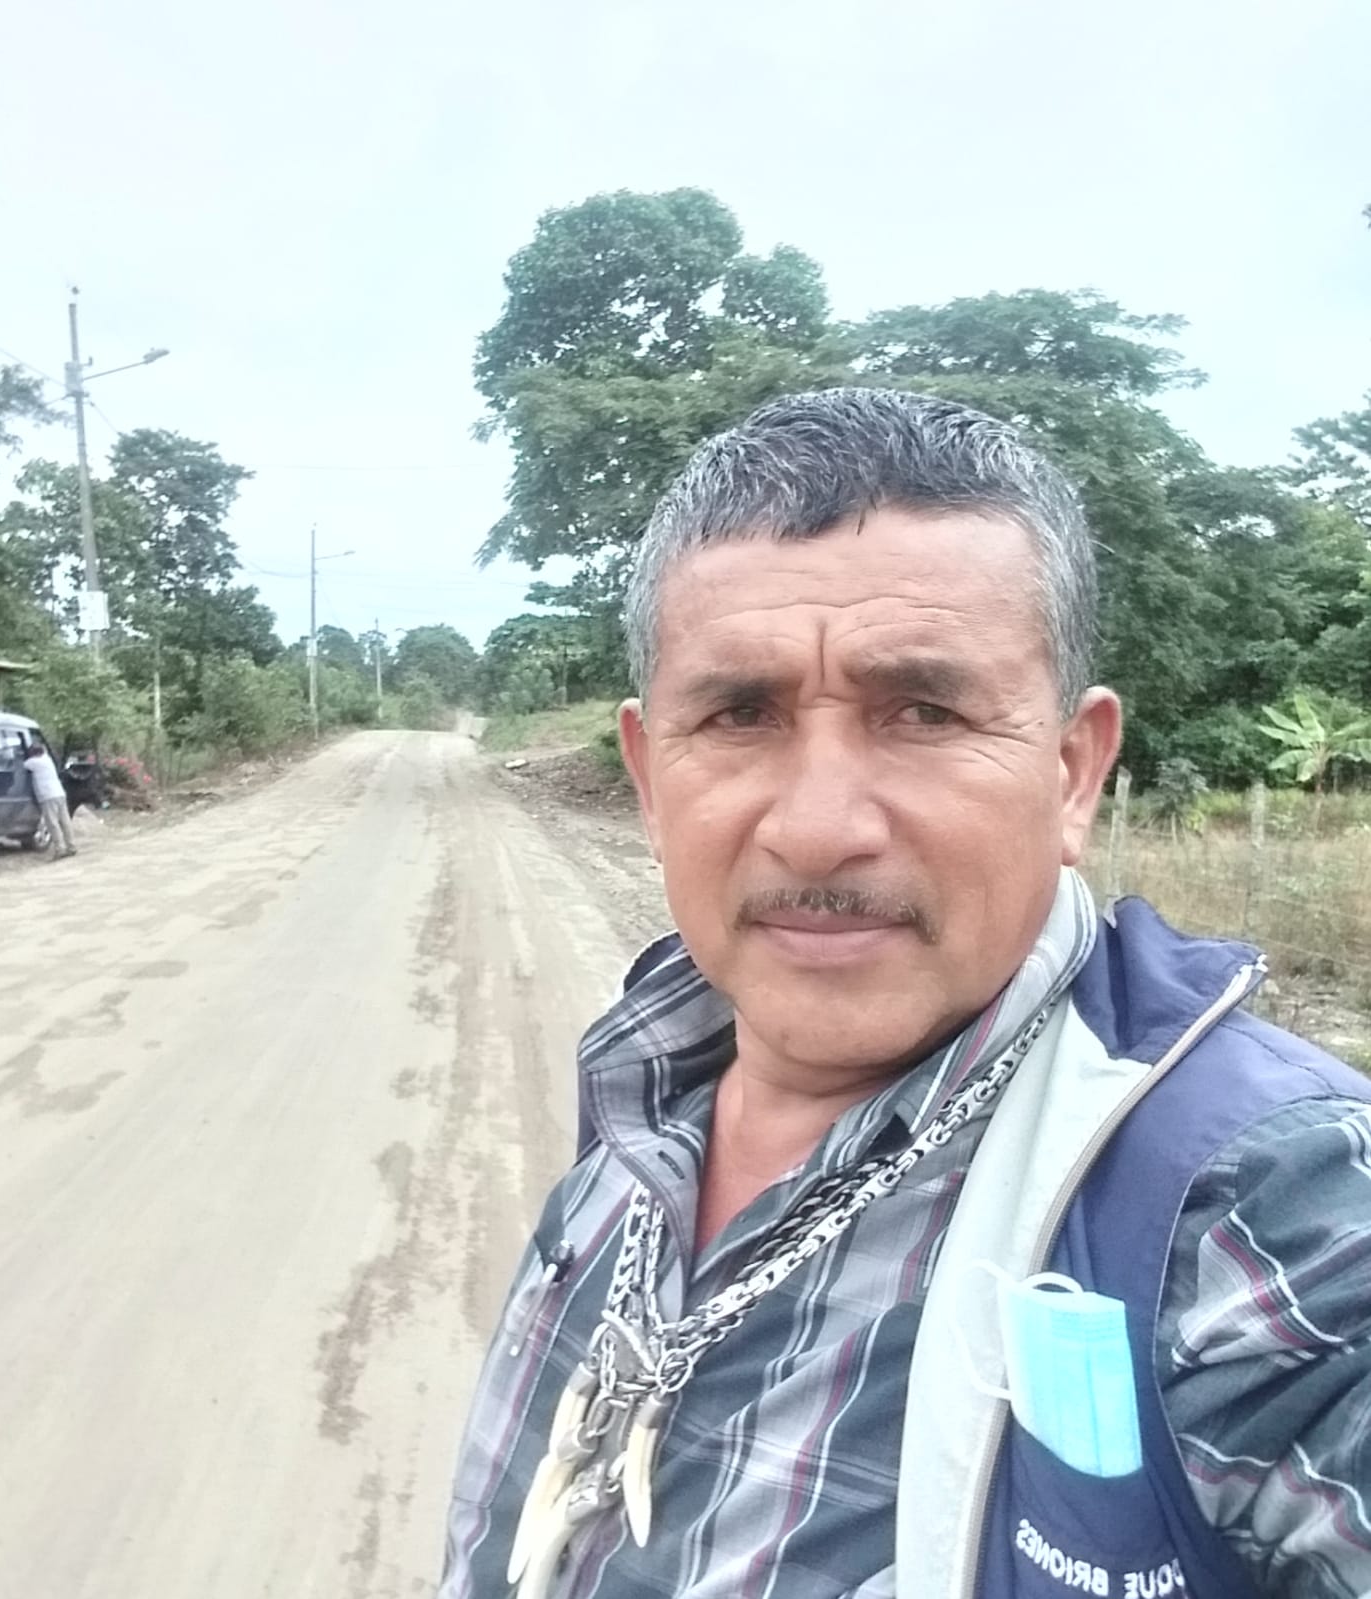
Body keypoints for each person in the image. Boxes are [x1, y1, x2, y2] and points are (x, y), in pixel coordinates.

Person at [438, 389, 1371, 1599]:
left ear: (1073, 773)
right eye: (738, 714)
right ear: (651, 779)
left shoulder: (1268, 1207)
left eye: (924, 713)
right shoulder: (643, 1088)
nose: (819, 827)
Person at [23, 736, 76, 862]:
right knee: (65, 821)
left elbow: (22, 765)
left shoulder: (33, 762)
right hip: (59, 793)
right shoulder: (47, 759)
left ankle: (60, 849)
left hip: (48, 796)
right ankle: (71, 846)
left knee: (52, 823)